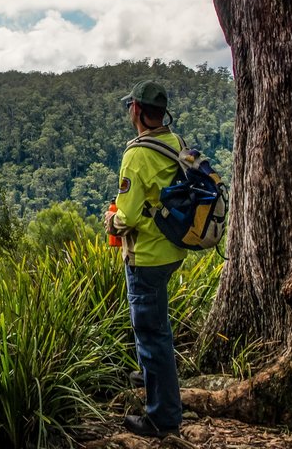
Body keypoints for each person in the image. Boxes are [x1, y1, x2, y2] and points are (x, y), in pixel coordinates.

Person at [104, 80, 186, 439]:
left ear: (136, 110)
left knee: (152, 333)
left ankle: (162, 418)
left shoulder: (136, 155)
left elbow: (129, 216)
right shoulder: (175, 143)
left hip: (146, 256)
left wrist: (111, 220)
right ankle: (148, 374)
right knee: (156, 324)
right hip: (172, 250)